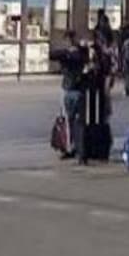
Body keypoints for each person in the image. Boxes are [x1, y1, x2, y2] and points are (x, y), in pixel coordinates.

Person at [55, 30, 87, 160]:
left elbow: (54, 55)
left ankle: (71, 147)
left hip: (69, 89)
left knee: (69, 120)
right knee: (78, 121)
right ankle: (79, 148)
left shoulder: (69, 55)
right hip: (79, 90)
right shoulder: (81, 52)